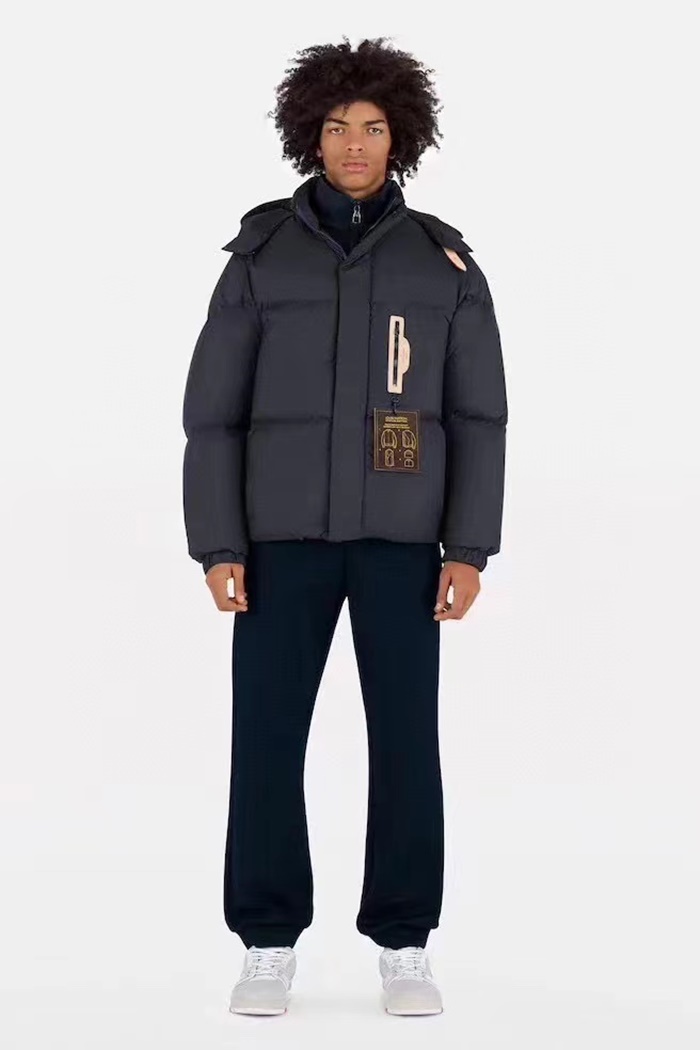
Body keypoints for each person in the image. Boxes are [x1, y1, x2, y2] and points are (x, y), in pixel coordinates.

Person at [182, 35, 508, 1017]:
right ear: (309, 136)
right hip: (279, 544)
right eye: (335, 127)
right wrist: (219, 543)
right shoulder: (259, 257)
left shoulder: (443, 263)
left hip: (402, 544)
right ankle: (266, 939)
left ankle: (404, 941)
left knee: (406, 740)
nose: (354, 145)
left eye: (371, 127)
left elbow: (479, 416)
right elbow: (213, 414)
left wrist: (467, 549)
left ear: (400, 136)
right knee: (267, 738)